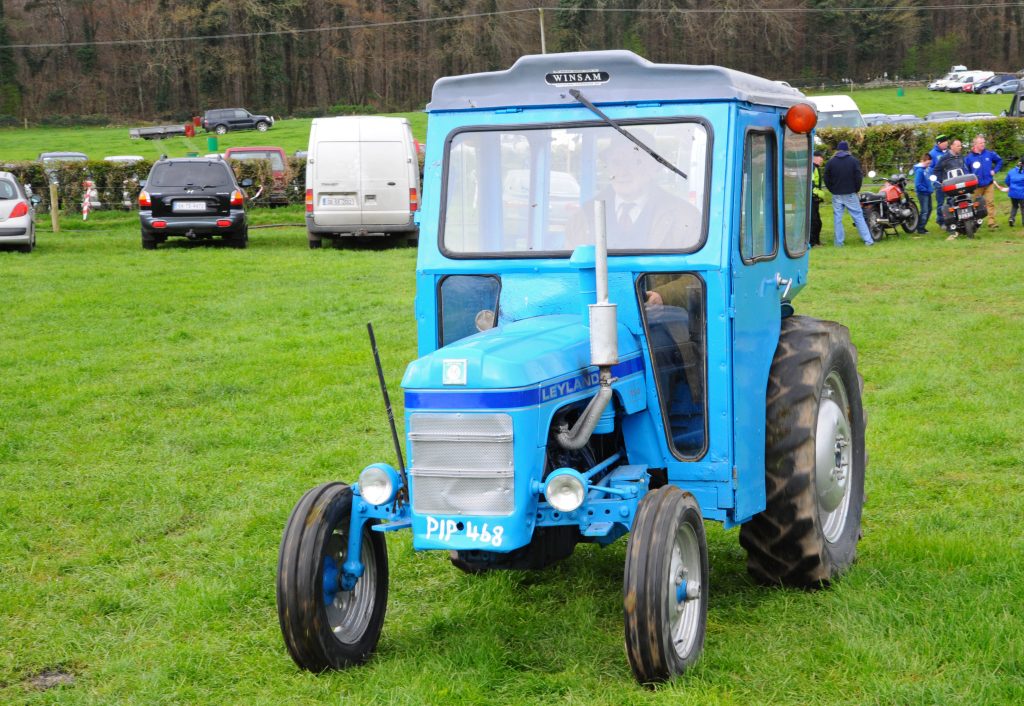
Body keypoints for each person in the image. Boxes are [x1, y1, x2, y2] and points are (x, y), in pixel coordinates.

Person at [567, 130, 700, 251]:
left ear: (653, 167)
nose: (623, 172)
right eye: (616, 163)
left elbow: (692, 274)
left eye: (635, 162)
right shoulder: (582, 217)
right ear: (607, 167)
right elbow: (570, 273)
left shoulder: (686, 218)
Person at [823, 140, 874, 247]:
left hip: (836, 194)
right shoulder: (853, 161)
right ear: (847, 150)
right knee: (858, 216)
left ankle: (839, 242)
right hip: (850, 193)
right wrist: (856, 189)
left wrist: (832, 189)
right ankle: (868, 241)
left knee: (838, 218)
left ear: (837, 150)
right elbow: (858, 177)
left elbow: (826, 178)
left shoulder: (831, 162)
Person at [966, 134, 1003, 229]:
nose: (983, 144)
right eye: (980, 143)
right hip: (976, 186)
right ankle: (972, 223)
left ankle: (992, 223)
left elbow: (999, 161)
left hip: (989, 184)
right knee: (973, 204)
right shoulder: (969, 157)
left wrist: (994, 170)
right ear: (975, 144)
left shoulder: (989, 154)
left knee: (990, 202)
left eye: (984, 142)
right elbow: (965, 170)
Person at [930, 134, 950, 225]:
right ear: (939, 143)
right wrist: (936, 181)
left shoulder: (948, 152)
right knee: (941, 203)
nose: (946, 144)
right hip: (939, 183)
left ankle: (950, 219)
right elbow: (930, 169)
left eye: (947, 142)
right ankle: (941, 221)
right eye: (944, 142)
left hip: (949, 181)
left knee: (950, 201)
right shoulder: (932, 154)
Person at [912, 153, 933, 234]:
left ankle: (922, 226)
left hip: (927, 193)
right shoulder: (920, 171)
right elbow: (918, 184)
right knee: (924, 211)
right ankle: (920, 228)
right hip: (922, 193)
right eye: (927, 163)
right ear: (922, 161)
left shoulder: (927, 169)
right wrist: (926, 190)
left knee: (929, 209)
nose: (928, 165)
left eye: (930, 163)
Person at [1002, 156, 1024, 227]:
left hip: (1013, 193)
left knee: (1014, 206)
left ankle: (1011, 218)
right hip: (1022, 194)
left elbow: (1006, 181)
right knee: (1022, 207)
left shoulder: (1011, 171)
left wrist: (1011, 187)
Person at [811, 150, 827, 246]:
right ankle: (812, 243)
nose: (822, 160)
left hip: (814, 199)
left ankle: (816, 241)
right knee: (814, 222)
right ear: (815, 157)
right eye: (821, 158)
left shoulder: (815, 168)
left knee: (817, 222)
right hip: (812, 199)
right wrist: (820, 194)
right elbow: (811, 185)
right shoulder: (812, 168)